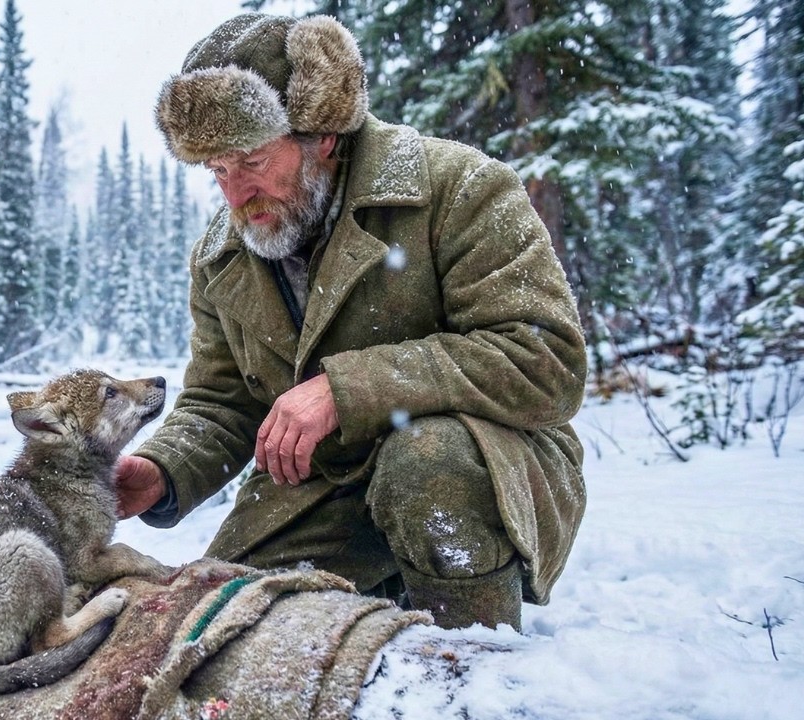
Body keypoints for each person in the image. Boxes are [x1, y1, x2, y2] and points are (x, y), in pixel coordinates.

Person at [114, 12, 587, 631]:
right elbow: (223, 402)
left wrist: (348, 389)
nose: (236, 197)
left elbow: (545, 359)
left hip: (489, 465)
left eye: (251, 161)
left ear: (324, 135)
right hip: (322, 487)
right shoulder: (222, 255)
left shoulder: (460, 188)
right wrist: (159, 473)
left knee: (426, 463)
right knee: (221, 623)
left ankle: (475, 666)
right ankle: (383, 585)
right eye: (217, 171)